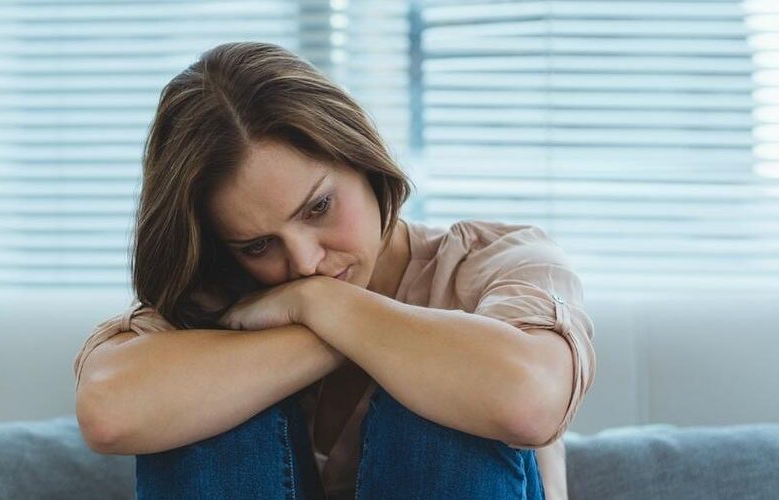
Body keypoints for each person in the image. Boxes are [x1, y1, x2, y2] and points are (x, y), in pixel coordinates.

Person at [72, 41, 596, 499]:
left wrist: (321, 305)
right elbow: (109, 412)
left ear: (363, 159)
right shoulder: (224, 297)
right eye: (258, 245)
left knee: (444, 404)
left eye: (318, 207)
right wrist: (334, 334)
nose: (304, 262)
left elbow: (529, 402)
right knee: (207, 415)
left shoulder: (492, 261)